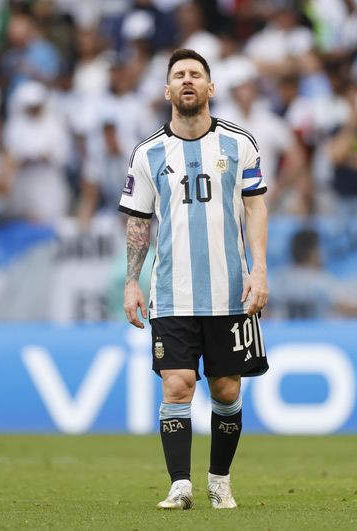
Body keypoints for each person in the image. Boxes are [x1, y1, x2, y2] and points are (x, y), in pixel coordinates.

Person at [120, 49, 269, 511]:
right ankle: (180, 484)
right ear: (167, 91)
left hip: (229, 292)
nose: (188, 81)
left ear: (210, 88)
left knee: (226, 388)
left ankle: (219, 479)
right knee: (177, 384)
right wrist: (131, 281)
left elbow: (255, 207)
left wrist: (259, 270)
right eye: (179, 75)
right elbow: (138, 222)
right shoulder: (148, 153)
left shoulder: (239, 143)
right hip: (171, 293)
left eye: (196, 75)